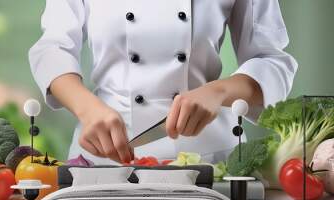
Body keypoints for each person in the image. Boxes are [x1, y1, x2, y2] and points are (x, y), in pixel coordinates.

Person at [29, 0, 297, 164]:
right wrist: (88, 109)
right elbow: (53, 49)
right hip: (106, 153)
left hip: (206, 163)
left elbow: (270, 60)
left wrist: (217, 92)